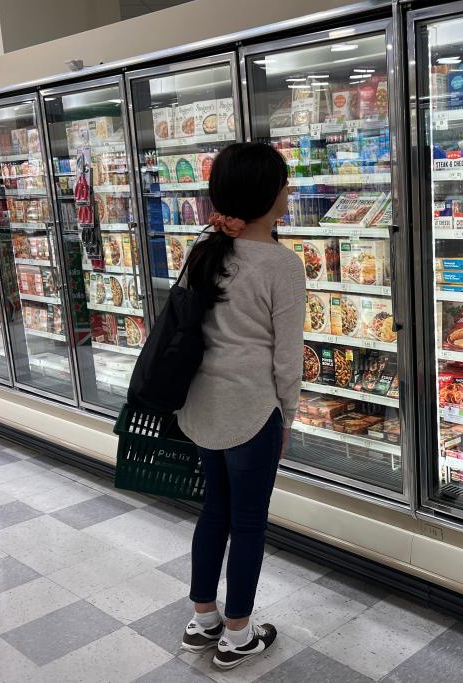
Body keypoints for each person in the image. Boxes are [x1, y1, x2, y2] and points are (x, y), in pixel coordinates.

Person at [175, 142, 305, 670]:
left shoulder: (204, 251)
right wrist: (287, 417)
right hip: (251, 411)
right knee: (249, 522)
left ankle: (202, 618)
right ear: (266, 195)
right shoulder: (281, 264)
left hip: (202, 406)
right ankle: (238, 635)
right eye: (283, 182)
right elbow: (287, 357)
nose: (289, 191)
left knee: (214, 512)